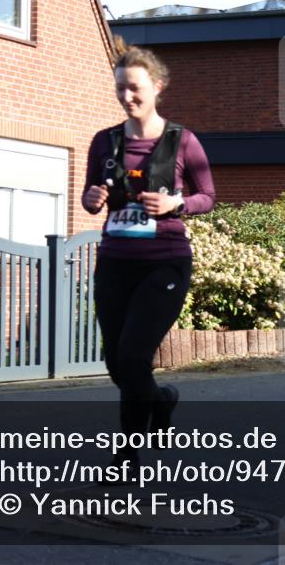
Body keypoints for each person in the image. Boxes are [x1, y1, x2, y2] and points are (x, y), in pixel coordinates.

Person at [82, 39, 215, 475]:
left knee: (135, 356)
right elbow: (89, 200)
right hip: (115, 261)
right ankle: (159, 401)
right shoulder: (104, 142)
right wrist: (93, 196)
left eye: (135, 88)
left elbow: (208, 197)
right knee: (116, 362)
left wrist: (178, 205)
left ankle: (126, 457)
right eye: (120, 89)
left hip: (165, 262)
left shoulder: (184, 142)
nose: (127, 97)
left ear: (157, 87)